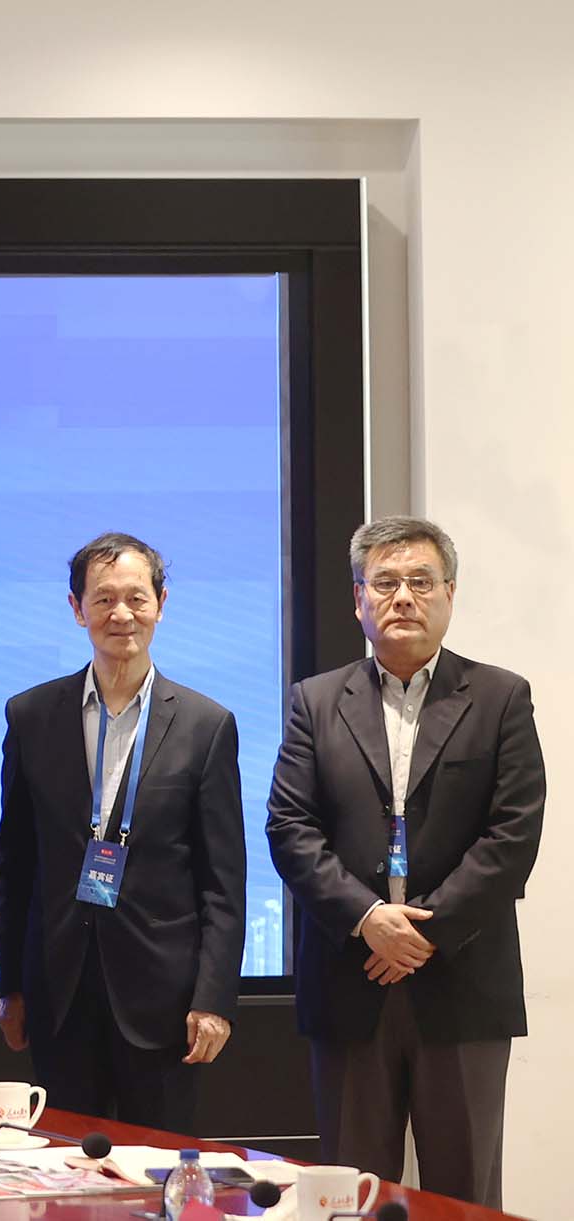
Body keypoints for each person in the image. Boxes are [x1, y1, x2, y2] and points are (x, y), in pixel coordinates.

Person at [267, 515, 542, 1208]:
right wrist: (367, 919)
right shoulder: (316, 701)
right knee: (352, 1193)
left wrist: (422, 931)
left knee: (464, 1192)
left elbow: (511, 837)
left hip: (460, 980)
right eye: (383, 582)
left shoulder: (499, 696)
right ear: (356, 597)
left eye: (420, 581)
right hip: (350, 976)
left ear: (449, 593)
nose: (402, 597)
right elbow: (288, 827)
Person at [0, 533, 242, 1132]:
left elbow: (223, 882)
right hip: (59, 992)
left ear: (161, 603)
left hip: (165, 1002)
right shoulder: (31, 716)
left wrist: (213, 999)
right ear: (77, 609)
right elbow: (16, 864)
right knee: (62, 1169)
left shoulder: (206, 725)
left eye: (136, 597)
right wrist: (14, 988)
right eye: (103, 599)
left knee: (154, 1173)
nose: (121, 614)